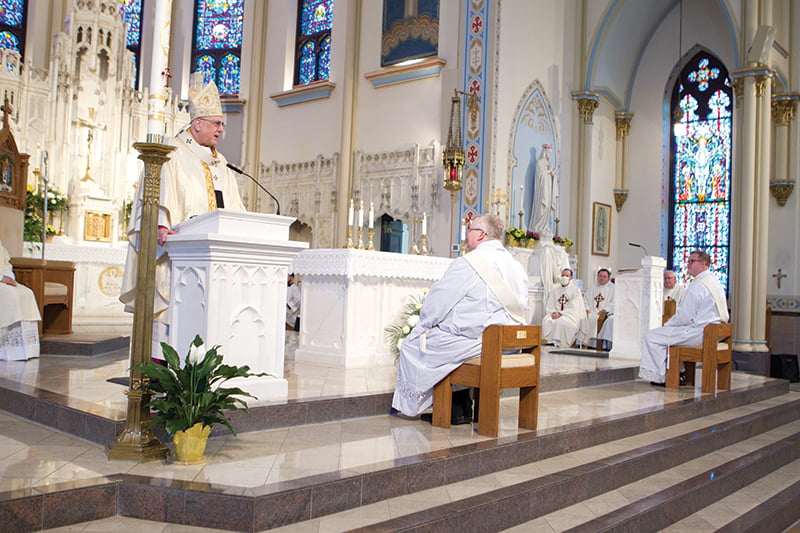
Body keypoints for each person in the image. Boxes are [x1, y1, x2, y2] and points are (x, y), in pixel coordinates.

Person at [120, 73, 246, 360]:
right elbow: (157, 196)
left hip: (212, 261)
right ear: (197, 123)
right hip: (176, 259)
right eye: (216, 123)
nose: (220, 130)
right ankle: (159, 387)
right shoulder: (172, 153)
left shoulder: (221, 164)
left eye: (222, 124)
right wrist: (161, 226)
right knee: (168, 326)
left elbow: (234, 210)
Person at [392, 214, 529, 423]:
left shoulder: (470, 262)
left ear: (481, 235)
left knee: (414, 346)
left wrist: (424, 324)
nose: (466, 235)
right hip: (508, 343)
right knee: (450, 339)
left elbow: (438, 302)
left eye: (470, 230)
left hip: (481, 343)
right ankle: (461, 405)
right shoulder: (516, 266)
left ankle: (443, 408)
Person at [640, 250, 729, 385]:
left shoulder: (698, 285)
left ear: (703, 264)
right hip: (714, 331)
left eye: (692, 261)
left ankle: (664, 377)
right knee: (666, 337)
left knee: (651, 336)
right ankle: (678, 373)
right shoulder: (713, 280)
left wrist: (668, 324)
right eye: (688, 261)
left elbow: (685, 316)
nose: (688, 265)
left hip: (700, 332)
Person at [0, 240, 41, 360]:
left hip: (3, 280)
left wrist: (8, 276)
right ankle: (4, 349)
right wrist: (1, 278)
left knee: (26, 293)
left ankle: (21, 350)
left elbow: (6, 262)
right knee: (10, 295)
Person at [541, 268, 588, 348]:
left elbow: (574, 307)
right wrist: (553, 312)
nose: (564, 277)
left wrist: (561, 313)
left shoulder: (575, 291)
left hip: (570, 316)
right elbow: (550, 304)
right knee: (547, 320)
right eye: (563, 275)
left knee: (561, 321)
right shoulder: (555, 290)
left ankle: (560, 343)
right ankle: (550, 342)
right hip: (555, 314)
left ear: (571, 278)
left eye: (567, 276)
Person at [528, 145, 558, 237]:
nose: (549, 154)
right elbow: (540, 176)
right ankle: (537, 227)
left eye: (550, 153)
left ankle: (544, 226)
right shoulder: (540, 162)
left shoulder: (549, 164)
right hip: (542, 190)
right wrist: (549, 172)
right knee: (542, 207)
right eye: (548, 152)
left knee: (547, 207)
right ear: (544, 152)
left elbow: (549, 175)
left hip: (549, 188)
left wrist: (552, 174)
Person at [584, 268, 614, 347]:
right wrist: (587, 309)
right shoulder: (592, 288)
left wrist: (605, 310)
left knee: (596, 318)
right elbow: (585, 300)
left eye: (604, 276)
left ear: (608, 278)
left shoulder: (613, 289)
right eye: (600, 276)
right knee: (586, 318)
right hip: (591, 312)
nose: (601, 278)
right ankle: (587, 343)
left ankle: (598, 344)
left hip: (603, 314)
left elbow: (614, 303)